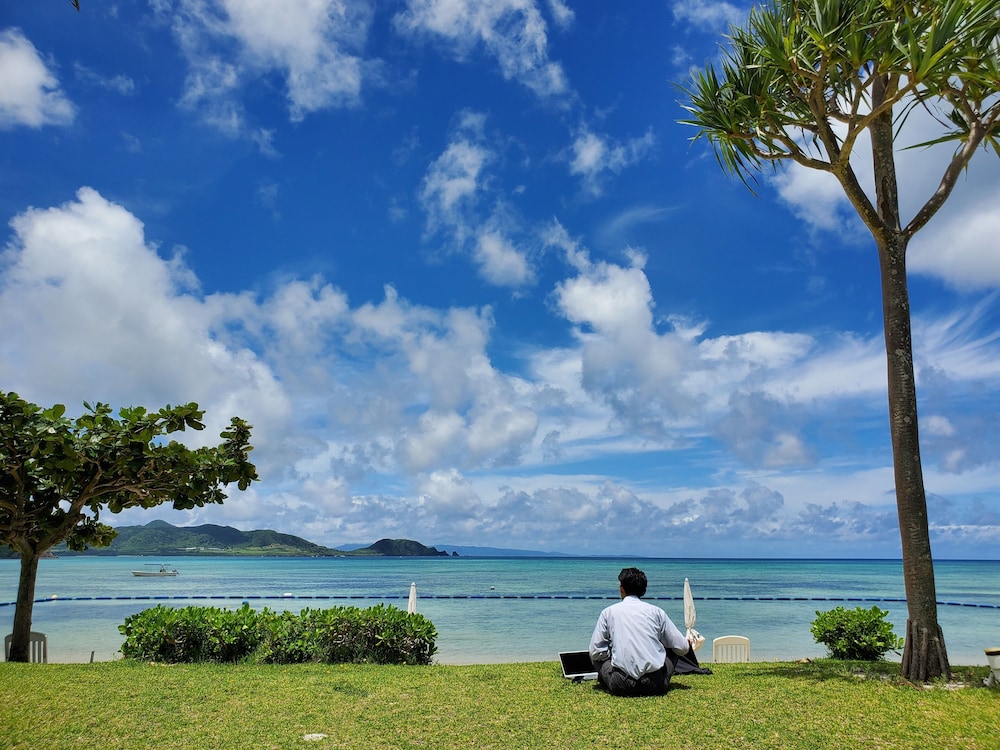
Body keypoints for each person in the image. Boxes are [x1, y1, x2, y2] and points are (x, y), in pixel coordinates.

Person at [589, 567, 697, 696]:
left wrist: (612, 655)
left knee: (598, 658)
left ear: (621, 588)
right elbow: (683, 648)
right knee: (674, 647)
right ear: (643, 590)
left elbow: (595, 651)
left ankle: (607, 679)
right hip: (655, 684)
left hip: (621, 684)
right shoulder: (657, 612)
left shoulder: (608, 612)